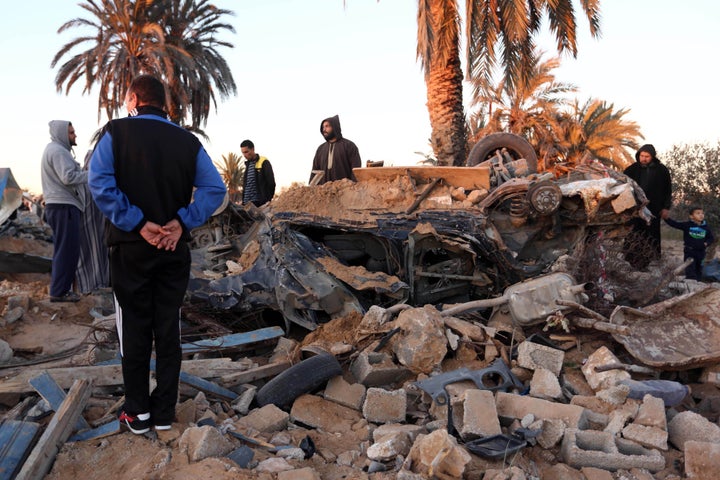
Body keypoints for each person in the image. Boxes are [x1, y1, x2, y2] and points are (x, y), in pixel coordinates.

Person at [89, 75, 226, 434]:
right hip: (172, 249)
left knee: (132, 327)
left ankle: (137, 413)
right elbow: (215, 189)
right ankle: (164, 412)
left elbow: (99, 182)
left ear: (134, 98)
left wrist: (137, 223)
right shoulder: (187, 141)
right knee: (168, 328)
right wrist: (182, 223)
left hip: (131, 248)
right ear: (164, 104)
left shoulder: (115, 133)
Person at [40, 120, 87, 302]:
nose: (75, 136)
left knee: (64, 249)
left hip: (59, 206)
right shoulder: (58, 151)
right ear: (62, 133)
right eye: (71, 133)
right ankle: (59, 292)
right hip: (63, 206)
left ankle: (60, 290)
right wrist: (95, 174)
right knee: (67, 250)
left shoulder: (55, 150)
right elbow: (68, 177)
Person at [623, 144, 672, 270]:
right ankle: (631, 263)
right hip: (634, 209)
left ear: (652, 156)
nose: (643, 159)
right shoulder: (631, 169)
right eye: (642, 156)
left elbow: (668, 190)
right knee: (634, 233)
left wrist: (666, 207)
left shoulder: (662, 170)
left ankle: (649, 263)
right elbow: (622, 186)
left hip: (654, 209)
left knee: (651, 234)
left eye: (647, 156)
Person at [76, 147, 110, 294]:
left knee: (100, 255)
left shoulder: (103, 183)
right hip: (88, 227)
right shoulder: (86, 182)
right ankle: (90, 286)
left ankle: (98, 284)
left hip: (100, 228)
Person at [665, 206, 715, 280]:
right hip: (690, 251)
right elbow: (675, 224)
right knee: (690, 268)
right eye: (698, 213)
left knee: (699, 268)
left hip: (701, 252)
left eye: (702, 213)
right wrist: (666, 218)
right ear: (691, 216)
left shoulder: (706, 227)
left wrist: (706, 243)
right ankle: (690, 282)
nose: (701, 215)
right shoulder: (687, 225)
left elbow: (711, 238)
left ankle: (698, 283)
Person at [309, 115, 361, 185]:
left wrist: (352, 187)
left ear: (334, 127)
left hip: (344, 191)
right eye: (323, 127)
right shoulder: (320, 149)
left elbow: (356, 170)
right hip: (324, 192)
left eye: (327, 126)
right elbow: (314, 171)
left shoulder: (349, 146)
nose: (324, 129)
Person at [240, 139, 275, 206]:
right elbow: (246, 185)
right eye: (243, 153)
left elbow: (271, 183)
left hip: (259, 203)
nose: (244, 155)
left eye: (246, 152)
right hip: (247, 204)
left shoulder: (263, 162)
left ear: (253, 149)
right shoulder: (247, 165)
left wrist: (268, 199)